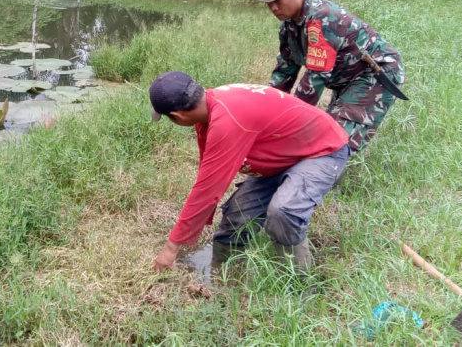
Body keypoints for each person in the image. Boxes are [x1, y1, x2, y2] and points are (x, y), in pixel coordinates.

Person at [149, 71, 350, 273]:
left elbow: (207, 191)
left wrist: (172, 246)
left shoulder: (227, 120)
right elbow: (209, 175)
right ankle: (224, 275)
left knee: (283, 211)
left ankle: (297, 280)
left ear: (178, 116)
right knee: (237, 215)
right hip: (285, 151)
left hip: (322, 150)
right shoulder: (209, 109)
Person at [254, 0, 405, 152]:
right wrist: (266, 112)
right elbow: (284, 72)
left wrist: (288, 124)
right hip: (346, 79)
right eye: (268, 1)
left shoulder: (323, 18)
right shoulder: (288, 26)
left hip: (374, 74)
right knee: (325, 132)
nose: (273, 7)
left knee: (334, 141)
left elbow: (314, 79)